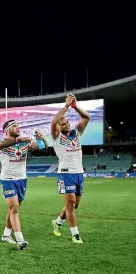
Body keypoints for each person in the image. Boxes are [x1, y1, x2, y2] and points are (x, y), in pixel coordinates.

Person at [0, 120, 48, 249]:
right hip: (7, 180)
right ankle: (20, 240)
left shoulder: (25, 142)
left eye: (18, 126)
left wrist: (43, 139)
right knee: (14, 208)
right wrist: (19, 139)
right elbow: (1, 145)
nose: (18, 128)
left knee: (13, 208)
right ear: (7, 130)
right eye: (15, 126)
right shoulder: (1, 142)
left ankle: (6, 235)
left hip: (22, 179)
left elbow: (42, 147)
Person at [50, 93, 89, 243]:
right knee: (71, 203)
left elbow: (86, 118)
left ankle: (58, 222)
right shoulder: (56, 137)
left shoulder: (76, 133)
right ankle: (75, 234)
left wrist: (75, 107)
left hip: (79, 173)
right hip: (65, 174)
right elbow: (54, 122)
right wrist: (66, 106)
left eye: (66, 122)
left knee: (75, 205)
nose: (65, 125)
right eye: (62, 124)